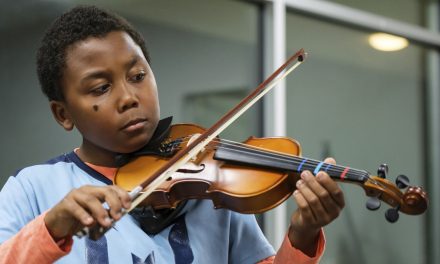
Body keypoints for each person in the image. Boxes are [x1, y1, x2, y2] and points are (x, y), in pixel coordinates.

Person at [0, 5, 345, 263]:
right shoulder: (33, 188)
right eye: (101, 87)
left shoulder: (210, 188)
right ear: (63, 114)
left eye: (138, 76)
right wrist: (52, 227)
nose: (129, 98)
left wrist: (303, 234)